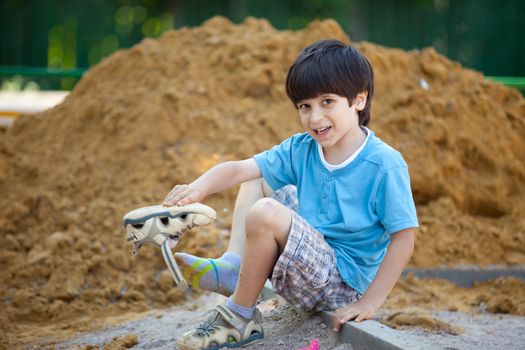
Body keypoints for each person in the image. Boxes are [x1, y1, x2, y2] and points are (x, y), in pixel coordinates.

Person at [163, 39, 418, 349]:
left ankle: (239, 318)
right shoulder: (303, 149)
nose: (314, 117)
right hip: (313, 260)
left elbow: (404, 237)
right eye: (304, 106)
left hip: (341, 286)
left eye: (327, 102)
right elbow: (240, 169)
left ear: (359, 100)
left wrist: (369, 303)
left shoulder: (384, 164)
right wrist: (196, 189)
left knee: (265, 212)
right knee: (257, 180)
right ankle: (234, 267)